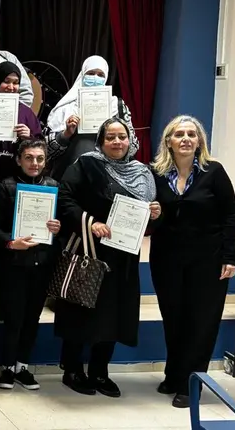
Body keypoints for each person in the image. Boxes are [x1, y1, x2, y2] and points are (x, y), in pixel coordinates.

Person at [55, 117, 161, 398]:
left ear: (130, 141)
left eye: (122, 137)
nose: (117, 142)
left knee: (115, 312)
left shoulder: (143, 173)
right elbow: (65, 199)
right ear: (100, 141)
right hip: (89, 249)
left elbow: (146, 216)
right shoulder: (86, 164)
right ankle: (73, 369)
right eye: (110, 137)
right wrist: (89, 222)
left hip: (123, 254)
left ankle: (100, 371)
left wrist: (154, 214)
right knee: (82, 310)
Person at [149, 115, 235, 408]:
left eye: (192, 134)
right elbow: (156, 221)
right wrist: (153, 215)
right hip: (167, 259)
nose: (186, 138)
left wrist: (230, 256)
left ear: (199, 141)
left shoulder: (214, 172)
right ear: (169, 142)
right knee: (174, 319)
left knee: (201, 322)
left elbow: (230, 216)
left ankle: (193, 382)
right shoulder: (156, 174)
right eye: (179, 134)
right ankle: (174, 373)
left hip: (208, 260)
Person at [0, 139, 62, 391]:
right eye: (29, 158)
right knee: (14, 317)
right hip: (14, 264)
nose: (35, 163)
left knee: (33, 317)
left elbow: (61, 230)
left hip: (42, 264)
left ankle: (23, 366)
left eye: (39, 158)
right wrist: (10, 242)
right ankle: (7, 367)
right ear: (19, 159)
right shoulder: (6, 187)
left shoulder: (53, 187)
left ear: (46, 161)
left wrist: (58, 228)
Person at [45, 55, 136, 181]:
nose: (95, 78)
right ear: (82, 75)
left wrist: (115, 136)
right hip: (69, 178)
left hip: (108, 179)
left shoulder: (117, 106)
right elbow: (47, 150)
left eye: (100, 75)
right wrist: (66, 134)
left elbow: (133, 146)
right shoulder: (66, 107)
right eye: (91, 73)